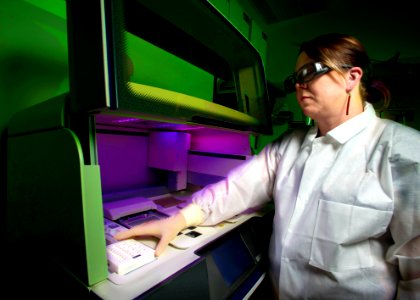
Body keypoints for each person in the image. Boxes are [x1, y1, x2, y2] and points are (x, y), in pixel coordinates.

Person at [115, 33, 420, 299]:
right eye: (294, 79)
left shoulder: (402, 151)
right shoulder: (289, 145)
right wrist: (178, 221)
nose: (299, 85)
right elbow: (235, 190)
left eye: (310, 71)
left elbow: (415, 266)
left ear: (352, 77)